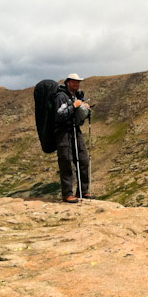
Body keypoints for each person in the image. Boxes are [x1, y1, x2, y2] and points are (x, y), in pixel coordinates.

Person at [55, 73, 93, 203]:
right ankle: (67, 194)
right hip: (63, 132)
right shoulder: (61, 96)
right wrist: (75, 106)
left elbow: (77, 116)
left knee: (83, 160)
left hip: (75, 130)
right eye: (75, 82)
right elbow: (60, 115)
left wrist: (85, 110)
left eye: (78, 82)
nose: (77, 84)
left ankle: (83, 191)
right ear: (68, 83)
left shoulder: (76, 96)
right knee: (66, 161)